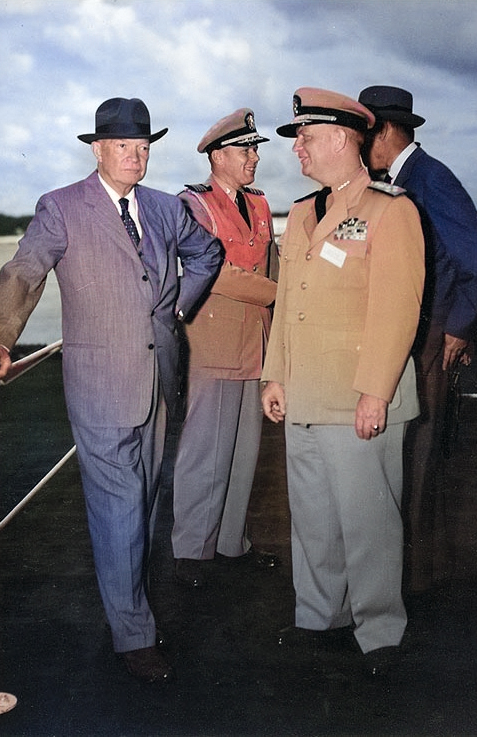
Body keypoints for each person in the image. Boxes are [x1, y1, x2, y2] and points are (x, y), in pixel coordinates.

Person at [0, 97, 222, 683]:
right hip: (100, 385)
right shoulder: (61, 207)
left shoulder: (165, 208)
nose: (136, 156)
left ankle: (132, 603)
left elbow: (207, 253)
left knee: (147, 501)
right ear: (97, 149)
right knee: (118, 507)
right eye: (124, 147)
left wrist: (178, 307)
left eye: (144, 146)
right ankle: (133, 634)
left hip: (159, 381)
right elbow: (24, 270)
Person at [261, 87, 425, 677]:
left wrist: (376, 391)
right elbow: (287, 305)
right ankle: (320, 616)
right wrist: (274, 375)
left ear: (341, 138)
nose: (297, 148)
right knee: (312, 519)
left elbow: (396, 310)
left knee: (369, 520)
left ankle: (380, 632)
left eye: (305, 137)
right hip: (304, 393)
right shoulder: (304, 212)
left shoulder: (391, 210)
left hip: (358, 396)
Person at [357, 86, 477, 593]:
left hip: (428, 342)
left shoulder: (428, 177)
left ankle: (411, 580)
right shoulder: (400, 178)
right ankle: (412, 573)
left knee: (417, 458)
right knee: (410, 456)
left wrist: (459, 327)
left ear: (387, 130)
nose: (358, 144)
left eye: (364, 132)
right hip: (414, 337)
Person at [172, 108, 279, 588]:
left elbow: (270, 263)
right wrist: (281, 295)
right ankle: (192, 553)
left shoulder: (258, 202)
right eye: (245, 149)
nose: (254, 157)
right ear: (217, 155)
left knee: (243, 453)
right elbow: (213, 270)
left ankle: (231, 544)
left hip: (253, 343)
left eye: (255, 149)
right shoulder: (193, 204)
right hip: (212, 344)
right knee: (205, 454)